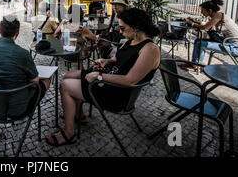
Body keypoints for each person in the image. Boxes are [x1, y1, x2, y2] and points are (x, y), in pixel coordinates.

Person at [45, 8, 160, 146]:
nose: (119, 31)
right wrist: (106, 61)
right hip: (107, 80)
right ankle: (78, 114)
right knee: (68, 75)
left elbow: (130, 80)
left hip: (116, 94)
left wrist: (99, 76)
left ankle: (69, 133)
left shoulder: (150, 49)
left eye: (122, 28)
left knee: (65, 85)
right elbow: (116, 58)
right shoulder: (130, 41)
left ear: (135, 27)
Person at [0, 16, 50, 118]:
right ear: (17, 33)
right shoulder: (23, 54)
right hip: (17, 110)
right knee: (46, 79)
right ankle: (30, 109)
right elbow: (35, 83)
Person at [180, 0, 238, 72]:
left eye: (203, 11)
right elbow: (207, 24)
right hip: (229, 44)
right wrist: (194, 21)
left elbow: (205, 27)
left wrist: (192, 23)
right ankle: (194, 64)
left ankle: (196, 66)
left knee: (200, 43)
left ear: (210, 10)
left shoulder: (218, 15)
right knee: (198, 41)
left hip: (237, 48)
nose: (202, 13)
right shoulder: (217, 15)